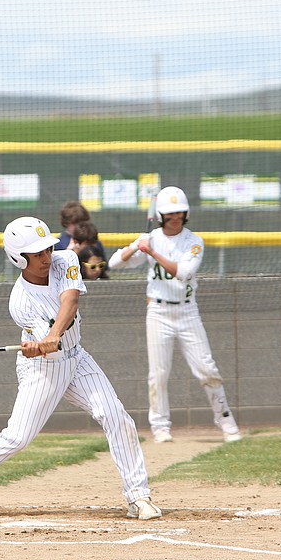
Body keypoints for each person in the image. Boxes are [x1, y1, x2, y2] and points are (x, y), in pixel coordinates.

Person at [0, 216, 160, 520]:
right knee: (17, 437)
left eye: (47, 250)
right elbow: (48, 347)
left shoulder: (66, 259)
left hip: (77, 357)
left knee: (115, 415)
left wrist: (52, 334)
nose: (46, 257)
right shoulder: (20, 302)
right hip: (43, 368)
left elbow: (70, 301)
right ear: (18, 258)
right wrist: (41, 343)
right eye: (37, 254)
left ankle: (138, 496)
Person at [108, 186, 241, 444]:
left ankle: (226, 422)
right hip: (158, 311)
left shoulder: (194, 241)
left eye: (179, 212)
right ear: (161, 216)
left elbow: (183, 272)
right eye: (170, 214)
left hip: (187, 310)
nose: (175, 217)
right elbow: (115, 264)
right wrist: (138, 245)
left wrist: (153, 253)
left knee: (207, 369)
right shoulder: (150, 239)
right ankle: (160, 426)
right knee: (158, 373)